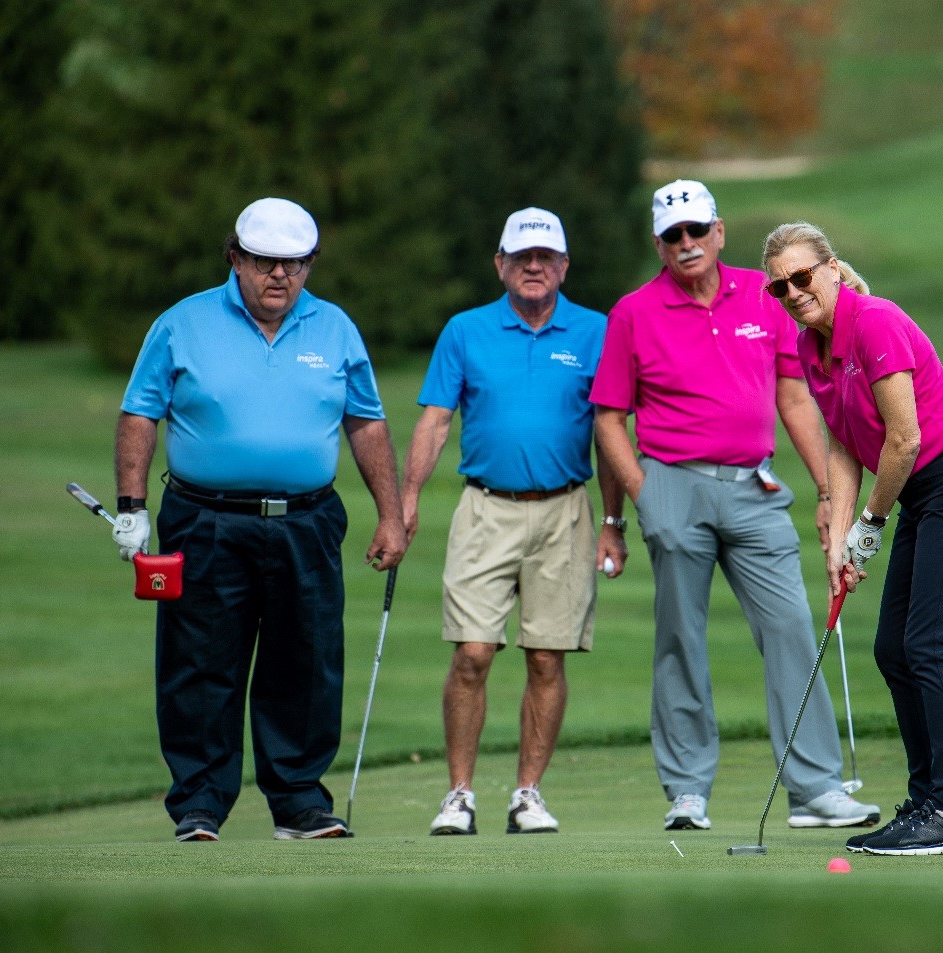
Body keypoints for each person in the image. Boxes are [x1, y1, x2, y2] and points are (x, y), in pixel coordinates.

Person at [112, 197, 407, 842]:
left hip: (307, 520)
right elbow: (140, 413)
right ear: (236, 258)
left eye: (296, 264)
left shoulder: (334, 328)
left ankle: (300, 803)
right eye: (267, 262)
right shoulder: (182, 323)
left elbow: (365, 422)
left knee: (306, 662)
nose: (281, 276)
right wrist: (132, 510)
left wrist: (391, 515)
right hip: (204, 519)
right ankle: (199, 804)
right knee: (199, 661)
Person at [590, 180, 879, 831]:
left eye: (696, 231)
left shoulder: (762, 293)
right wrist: (641, 496)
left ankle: (812, 788)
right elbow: (609, 419)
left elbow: (794, 395)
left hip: (756, 485)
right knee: (680, 639)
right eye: (673, 235)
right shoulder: (632, 312)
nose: (687, 244)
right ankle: (687, 788)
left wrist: (830, 491)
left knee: (789, 628)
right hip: (671, 482)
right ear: (659, 244)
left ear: (718, 231)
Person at [762, 221, 943, 856]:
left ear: (833, 268)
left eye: (801, 276)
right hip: (922, 493)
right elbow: (846, 446)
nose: (792, 292)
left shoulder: (874, 321)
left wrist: (868, 528)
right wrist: (840, 542)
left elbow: (905, 439)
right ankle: (926, 802)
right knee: (893, 651)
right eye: (778, 286)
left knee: (930, 645)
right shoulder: (810, 348)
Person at [402, 207, 626, 836]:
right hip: (485, 507)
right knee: (472, 653)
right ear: (500, 264)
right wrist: (408, 500)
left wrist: (614, 521)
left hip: (566, 510)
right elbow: (435, 420)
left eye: (546, 258)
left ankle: (527, 794)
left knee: (546, 660)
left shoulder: (596, 332)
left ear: (563, 266)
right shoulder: (466, 331)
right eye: (521, 258)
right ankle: (459, 794)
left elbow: (610, 433)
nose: (534, 267)